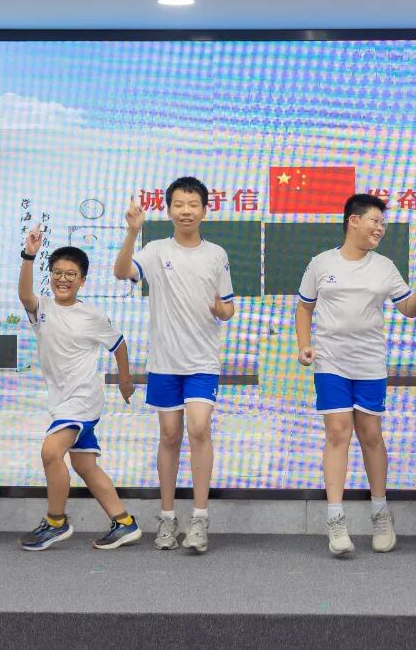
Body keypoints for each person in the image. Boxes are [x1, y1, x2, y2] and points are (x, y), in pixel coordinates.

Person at [296, 193, 416, 556]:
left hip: (370, 363)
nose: (380, 228)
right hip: (331, 362)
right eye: (375, 221)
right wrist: (304, 344)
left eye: (383, 224)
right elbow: (304, 308)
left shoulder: (384, 266)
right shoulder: (321, 263)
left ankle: (380, 514)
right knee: (337, 432)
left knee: (370, 434)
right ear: (353, 221)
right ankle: (336, 521)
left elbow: (409, 309)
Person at [113, 177, 235, 553]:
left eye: (193, 204)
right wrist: (132, 233)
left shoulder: (216, 254)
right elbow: (121, 271)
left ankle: (199, 519)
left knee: (198, 428)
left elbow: (228, 307)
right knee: (169, 436)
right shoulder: (155, 250)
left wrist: (220, 309)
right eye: (179, 204)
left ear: (204, 210)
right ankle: (167, 518)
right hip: (165, 362)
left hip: (202, 361)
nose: (186, 211)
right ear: (168, 210)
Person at [17, 225, 143, 551]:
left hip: (83, 399)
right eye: (57, 273)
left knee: (50, 452)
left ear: (82, 280)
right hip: (62, 401)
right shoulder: (42, 308)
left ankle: (55, 522)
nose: (63, 279)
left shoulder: (91, 315)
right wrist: (29, 256)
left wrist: (125, 381)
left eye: (71, 274)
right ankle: (124, 523)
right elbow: (25, 295)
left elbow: (119, 344)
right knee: (85, 465)